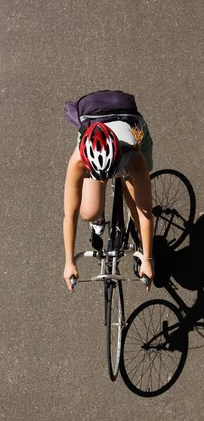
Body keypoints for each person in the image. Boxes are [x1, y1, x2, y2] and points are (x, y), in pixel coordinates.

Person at [63, 113, 154, 292]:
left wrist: (148, 259)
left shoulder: (135, 158)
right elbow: (69, 215)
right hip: (101, 151)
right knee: (89, 212)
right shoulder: (78, 161)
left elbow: (146, 215)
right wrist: (69, 261)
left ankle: (122, 177)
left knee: (137, 211)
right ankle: (98, 216)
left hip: (128, 145)